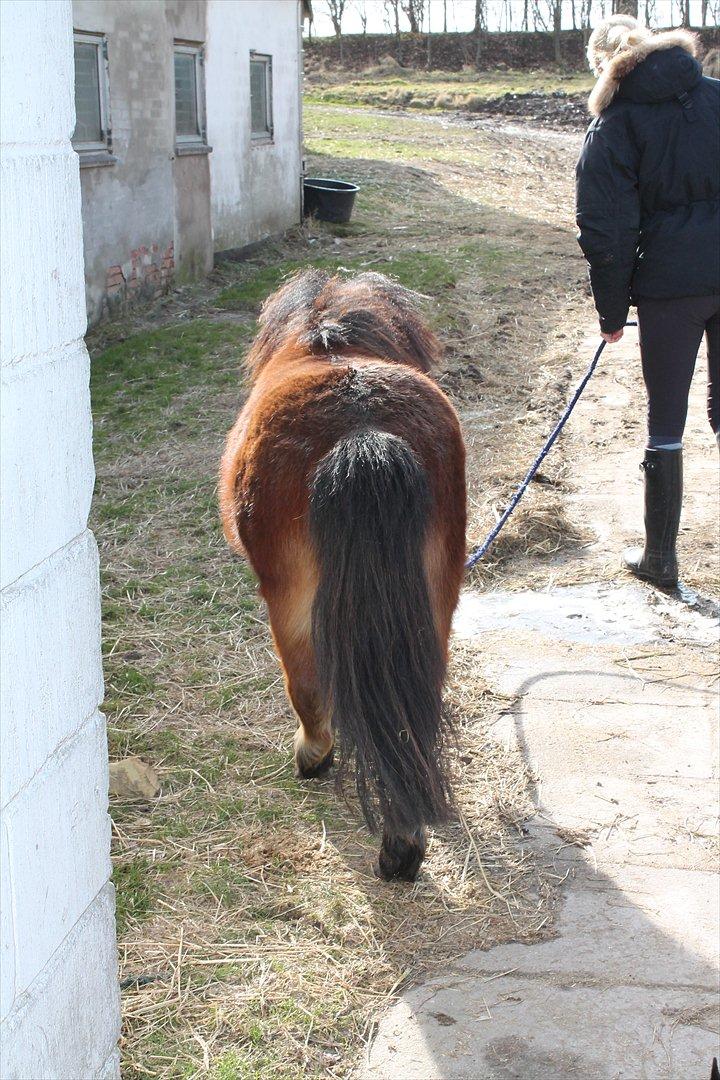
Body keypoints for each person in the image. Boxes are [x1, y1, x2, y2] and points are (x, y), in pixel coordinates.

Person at [575, 15, 719, 588]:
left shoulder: (615, 124)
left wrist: (611, 313)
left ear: (602, 64)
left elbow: (604, 227)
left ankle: (661, 561)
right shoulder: (716, 96)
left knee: (668, 422)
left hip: (670, 288)